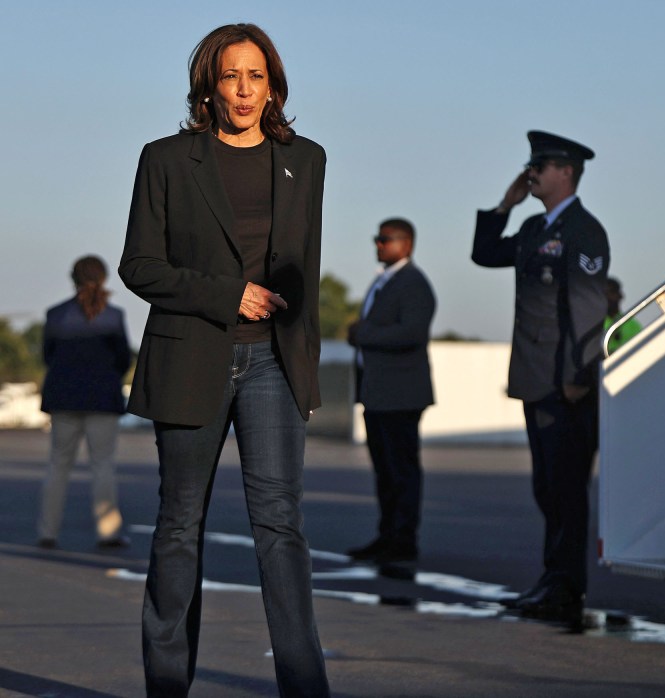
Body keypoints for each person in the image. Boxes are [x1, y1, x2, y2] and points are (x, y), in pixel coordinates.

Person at [119, 24, 329, 697]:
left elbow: (305, 271)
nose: (244, 90)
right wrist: (226, 294)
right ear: (209, 81)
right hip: (191, 360)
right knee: (179, 528)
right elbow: (139, 265)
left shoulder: (308, 160)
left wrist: (304, 365)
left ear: (274, 85)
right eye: (232, 75)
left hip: (273, 365)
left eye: (257, 76)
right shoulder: (167, 159)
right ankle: (167, 687)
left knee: (281, 529)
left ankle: (304, 687)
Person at [471, 131, 609, 624]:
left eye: (541, 165)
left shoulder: (584, 230)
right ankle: (552, 580)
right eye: (531, 164)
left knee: (566, 490)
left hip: (563, 381)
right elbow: (485, 254)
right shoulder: (533, 227)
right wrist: (504, 206)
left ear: (566, 173)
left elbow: (589, 309)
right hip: (535, 378)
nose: (532, 172)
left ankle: (567, 588)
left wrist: (579, 374)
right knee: (547, 488)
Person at [346, 218, 436, 568]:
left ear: (406, 244)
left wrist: (363, 334)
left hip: (401, 394)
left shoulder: (413, 283)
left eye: (385, 240)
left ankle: (403, 539)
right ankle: (387, 535)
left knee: (401, 470)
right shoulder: (385, 281)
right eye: (377, 239)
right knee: (385, 470)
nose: (378, 245)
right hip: (379, 393)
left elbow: (412, 333)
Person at [37, 255, 131, 550]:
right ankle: (108, 533)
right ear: (103, 278)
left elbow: (47, 357)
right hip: (102, 399)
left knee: (58, 466)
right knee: (103, 466)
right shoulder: (113, 316)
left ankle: (47, 532)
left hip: (63, 399)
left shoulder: (55, 315)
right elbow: (123, 360)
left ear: (73, 278)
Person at [603, 277, 642, 354]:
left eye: (611, 292)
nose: (608, 297)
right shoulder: (595, 325)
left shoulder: (631, 323)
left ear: (620, 295)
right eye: (604, 294)